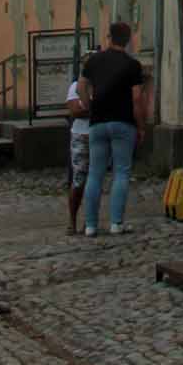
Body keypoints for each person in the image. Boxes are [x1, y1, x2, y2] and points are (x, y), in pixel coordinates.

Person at [77, 20, 148, 238]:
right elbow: (136, 98)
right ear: (128, 40)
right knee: (121, 172)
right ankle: (116, 223)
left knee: (95, 174)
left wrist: (89, 106)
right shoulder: (132, 65)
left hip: (98, 122)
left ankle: (90, 225)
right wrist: (141, 126)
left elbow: (81, 86)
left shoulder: (93, 60)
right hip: (123, 122)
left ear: (109, 37)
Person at [64, 64, 91, 234]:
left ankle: (90, 221)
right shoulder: (75, 86)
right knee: (78, 180)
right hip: (80, 135)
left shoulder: (103, 85)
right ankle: (72, 221)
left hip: (98, 134)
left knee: (94, 181)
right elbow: (75, 110)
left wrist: (87, 108)